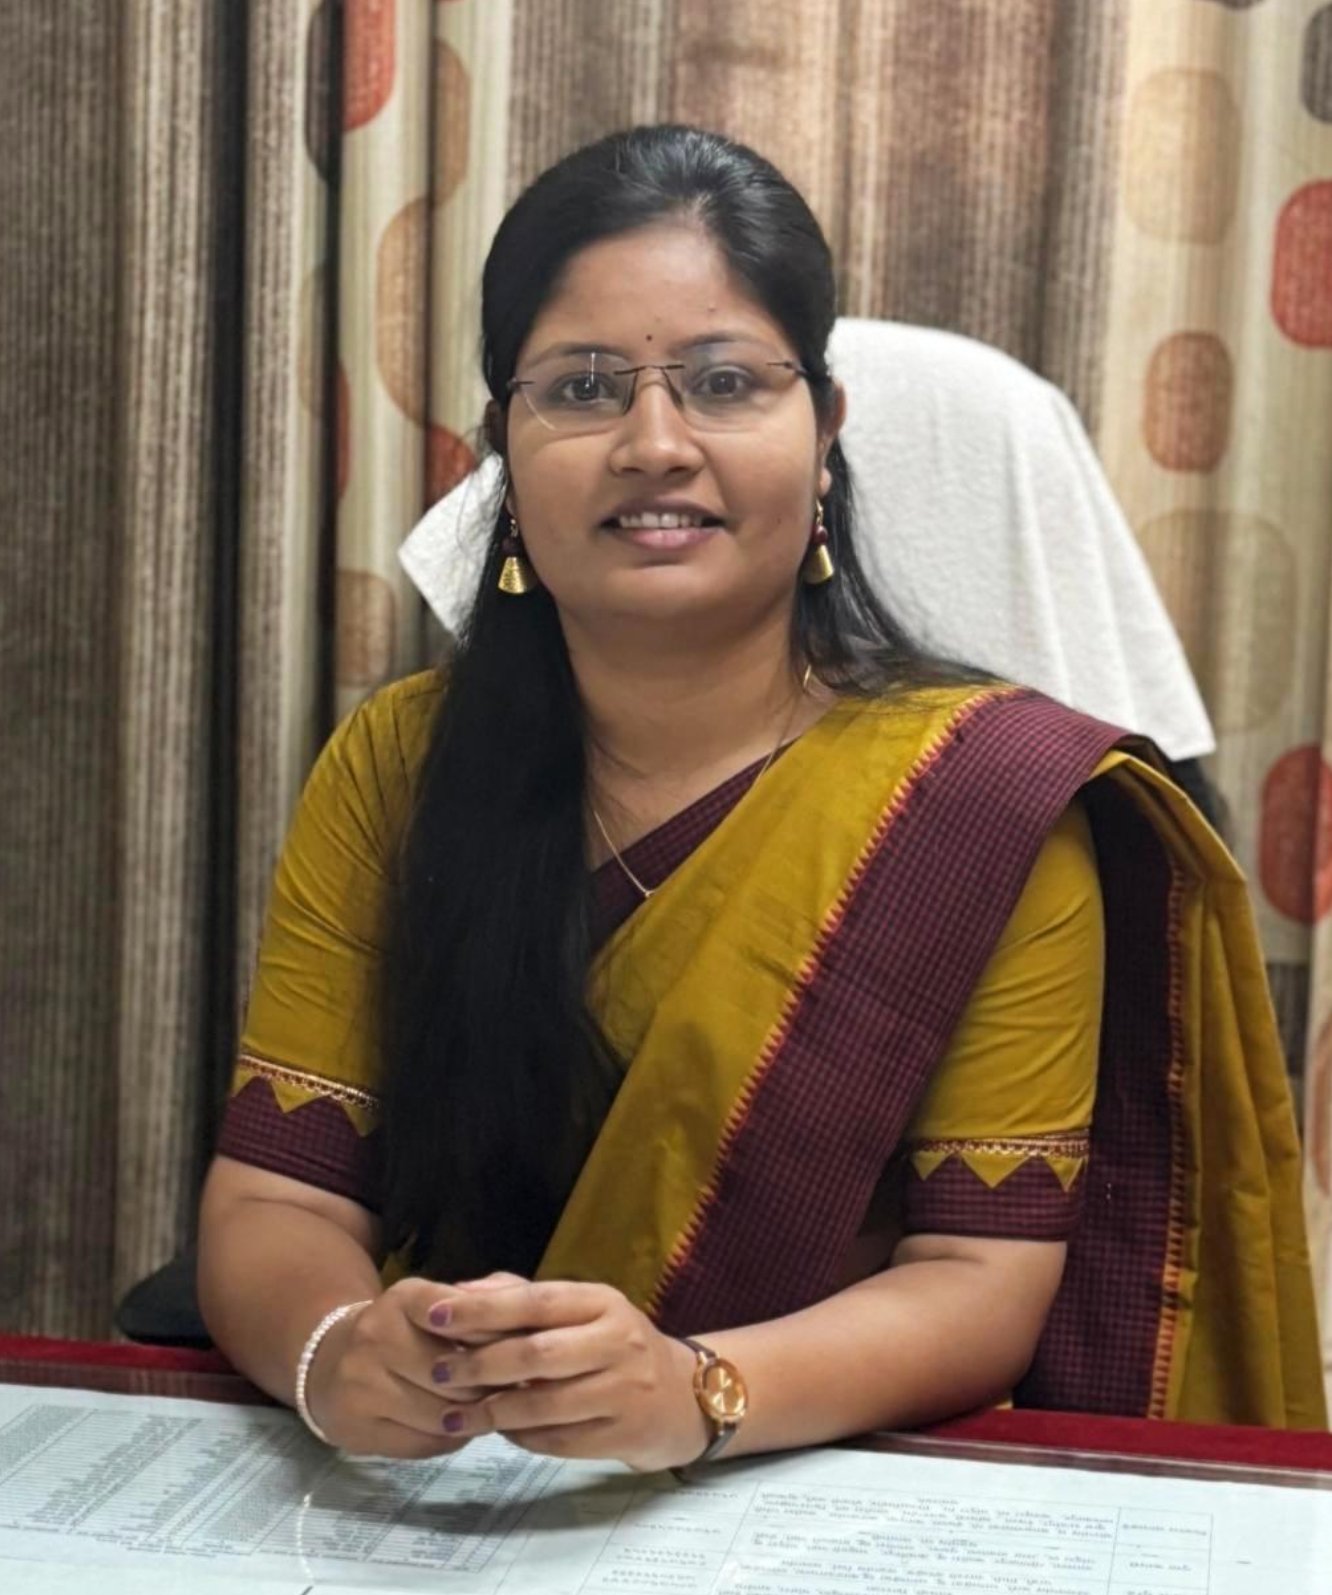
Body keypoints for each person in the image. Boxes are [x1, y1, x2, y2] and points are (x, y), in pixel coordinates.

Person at [198, 125, 1326, 1471]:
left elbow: (980, 1275)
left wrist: (699, 1392)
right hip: (446, 1481)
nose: (654, 444)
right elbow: (276, 1197)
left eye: (725, 382)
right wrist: (336, 1358)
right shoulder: (398, 764)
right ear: (504, 442)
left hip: (809, 1478)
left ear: (825, 430)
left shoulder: (981, 806)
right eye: (583, 388)